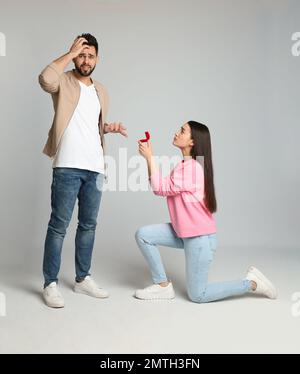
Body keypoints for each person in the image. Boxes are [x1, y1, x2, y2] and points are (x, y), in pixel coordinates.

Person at [135, 121, 277, 302]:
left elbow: (159, 188)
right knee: (144, 235)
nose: (177, 133)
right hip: (184, 232)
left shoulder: (193, 168)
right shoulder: (185, 165)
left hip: (199, 238)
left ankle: (251, 283)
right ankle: (162, 285)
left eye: (182, 131)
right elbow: (162, 186)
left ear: (192, 142)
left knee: (198, 295)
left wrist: (149, 158)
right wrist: (149, 159)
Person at [39, 33, 127, 308]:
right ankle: (50, 283)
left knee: (88, 226)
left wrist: (108, 128)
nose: (85, 60)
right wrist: (68, 53)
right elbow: (45, 79)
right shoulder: (63, 80)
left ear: (97, 59)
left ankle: (82, 279)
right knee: (59, 226)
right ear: (74, 55)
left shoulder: (101, 90)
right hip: (67, 165)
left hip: (95, 167)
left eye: (90, 55)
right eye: (81, 54)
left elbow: (89, 125)